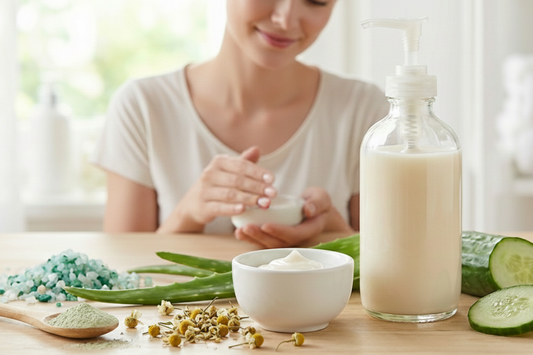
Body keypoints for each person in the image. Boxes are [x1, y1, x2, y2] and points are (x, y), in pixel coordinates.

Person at [92, 0, 388, 248]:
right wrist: (186, 216)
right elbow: (120, 279)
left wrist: (333, 231)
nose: (286, 19)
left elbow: (392, 273)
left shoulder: (363, 109)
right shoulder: (143, 106)